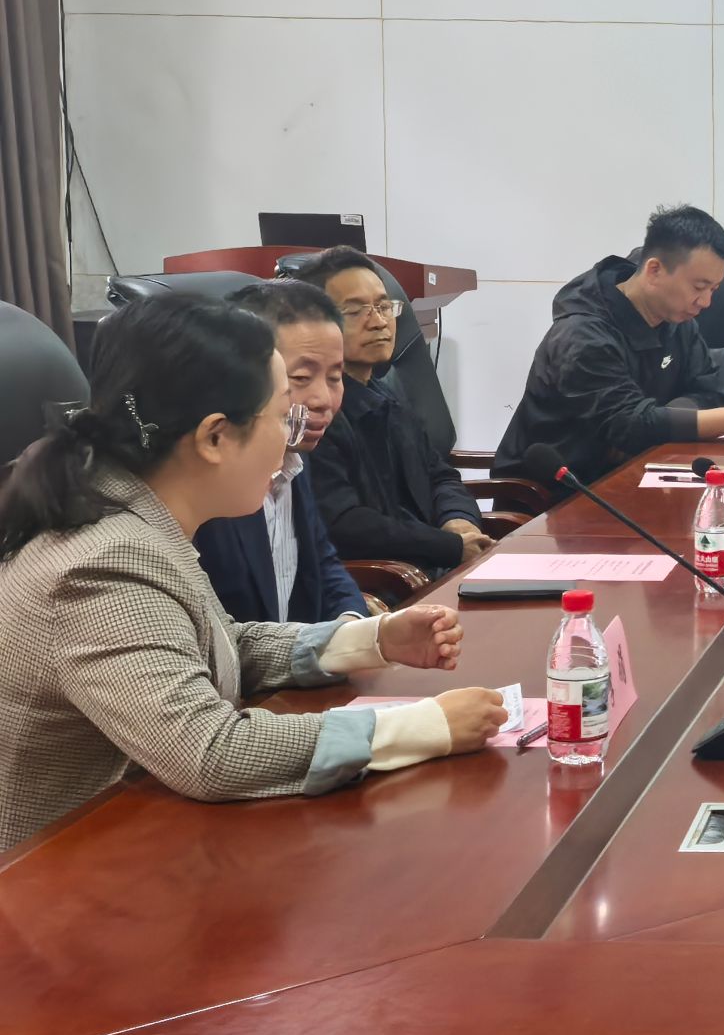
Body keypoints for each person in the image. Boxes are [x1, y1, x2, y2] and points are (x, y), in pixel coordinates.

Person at [0, 295, 508, 849]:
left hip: (142, 829)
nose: (292, 442)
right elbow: (209, 750)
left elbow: (217, 644)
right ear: (215, 437)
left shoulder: (136, 517)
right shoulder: (102, 563)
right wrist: (422, 726)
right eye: (283, 416)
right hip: (53, 870)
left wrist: (370, 640)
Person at [495, 204, 724, 488]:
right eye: (699, 287)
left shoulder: (676, 319)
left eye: (714, 289)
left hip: (639, 473)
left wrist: (661, 419)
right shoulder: (582, 335)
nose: (706, 302)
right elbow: (629, 427)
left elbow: (711, 390)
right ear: (654, 271)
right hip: (560, 494)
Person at [294, 246, 493, 574]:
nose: (379, 322)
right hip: (387, 582)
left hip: (429, 568)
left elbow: (440, 474)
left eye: (384, 306)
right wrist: (448, 546)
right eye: (355, 311)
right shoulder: (317, 416)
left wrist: (458, 520)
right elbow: (346, 525)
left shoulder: (386, 395)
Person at [193, 280, 366, 625]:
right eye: (299, 379)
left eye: (335, 377)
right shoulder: (209, 481)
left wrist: (349, 625)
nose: (323, 400)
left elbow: (323, 562)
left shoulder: (295, 452)